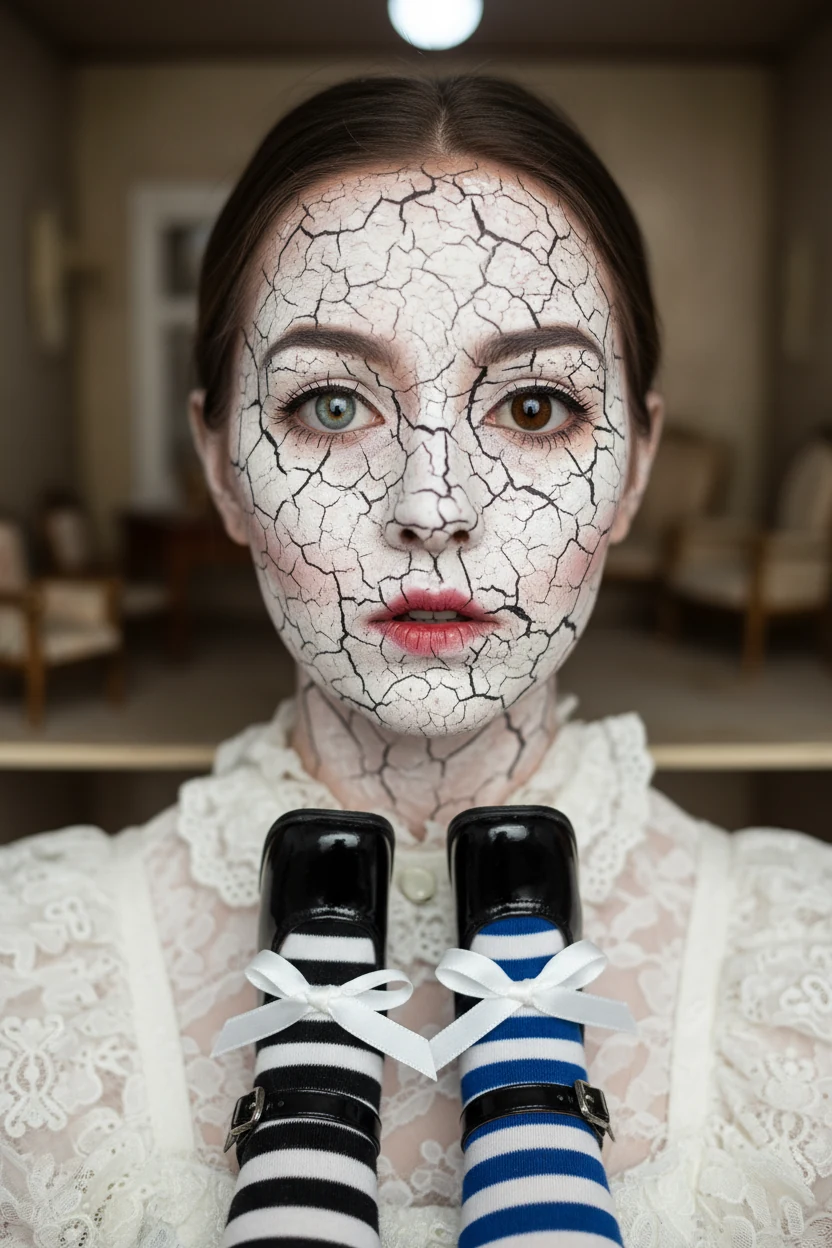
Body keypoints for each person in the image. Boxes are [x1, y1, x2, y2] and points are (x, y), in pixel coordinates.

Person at [1, 75, 829, 1248]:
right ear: (221, 465)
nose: (432, 508)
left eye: (534, 407)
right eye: (332, 406)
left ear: (635, 467)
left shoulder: (809, 955)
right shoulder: (22, 962)